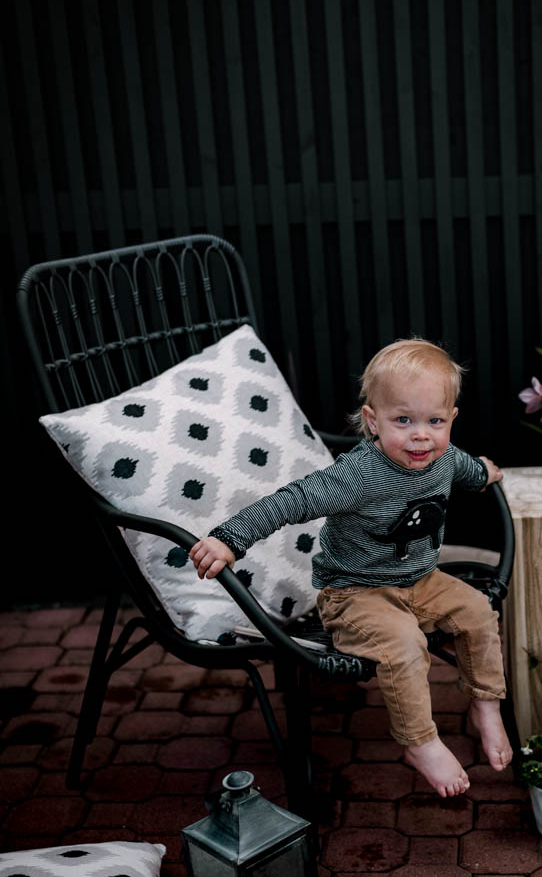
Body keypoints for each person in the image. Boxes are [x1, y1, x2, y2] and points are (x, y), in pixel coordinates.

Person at [190, 337, 512, 797]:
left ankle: (485, 703)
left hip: (420, 580)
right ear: (372, 421)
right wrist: (229, 539)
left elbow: (468, 469)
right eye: (403, 420)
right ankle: (420, 742)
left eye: (434, 421)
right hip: (355, 595)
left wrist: (485, 473)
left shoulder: (443, 457)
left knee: (478, 610)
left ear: (451, 420)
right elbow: (293, 500)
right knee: (404, 644)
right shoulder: (356, 475)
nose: (420, 435)